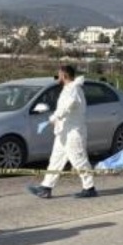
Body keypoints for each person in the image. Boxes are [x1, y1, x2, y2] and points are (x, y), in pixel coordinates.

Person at [27, 65, 97, 199]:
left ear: (64, 76)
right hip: (63, 131)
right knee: (56, 160)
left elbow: (67, 107)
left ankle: (89, 187)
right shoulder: (68, 89)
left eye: (59, 75)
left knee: (79, 159)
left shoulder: (74, 89)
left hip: (73, 132)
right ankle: (46, 187)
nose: (57, 77)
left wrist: (53, 118)